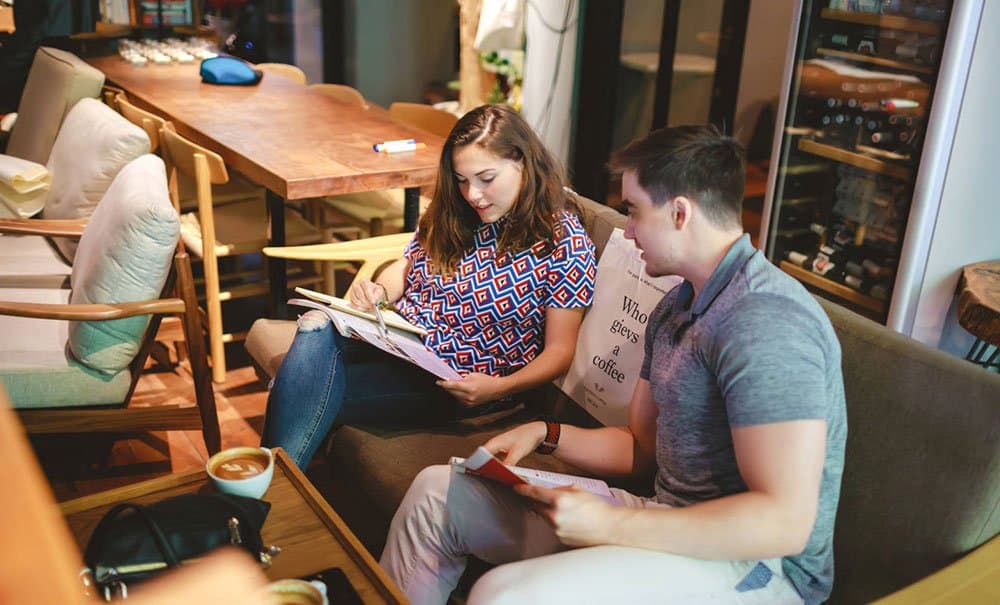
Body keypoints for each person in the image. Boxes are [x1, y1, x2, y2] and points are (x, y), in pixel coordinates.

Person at [380, 125, 847, 605]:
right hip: (665, 521)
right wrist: (544, 433)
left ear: (680, 213)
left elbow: (785, 524)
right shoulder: (675, 308)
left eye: (634, 211)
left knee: (501, 596)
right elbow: (641, 451)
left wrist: (612, 523)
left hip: (758, 568)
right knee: (437, 495)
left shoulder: (766, 323)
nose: (626, 230)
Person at [262, 104, 597, 469]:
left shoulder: (562, 241)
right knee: (317, 325)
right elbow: (406, 268)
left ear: (523, 162)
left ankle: (257, 497)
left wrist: (499, 388)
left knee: (297, 388)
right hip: (396, 341)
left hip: (451, 381)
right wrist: (379, 290)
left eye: (487, 178)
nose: (473, 194)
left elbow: (560, 351)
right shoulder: (456, 212)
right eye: (462, 179)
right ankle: (263, 501)